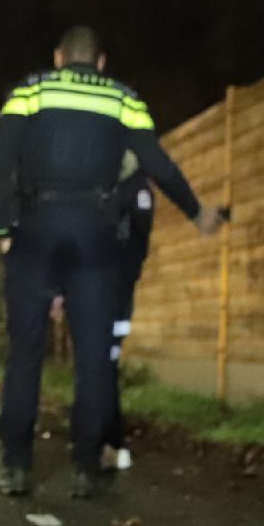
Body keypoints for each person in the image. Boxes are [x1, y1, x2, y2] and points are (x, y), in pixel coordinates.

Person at [0, 25, 222, 498]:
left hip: (36, 227)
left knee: (25, 353)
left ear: (58, 57)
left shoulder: (29, 92)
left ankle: (15, 466)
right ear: (100, 62)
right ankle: (86, 469)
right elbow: (158, 165)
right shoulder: (123, 98)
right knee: (93, 357)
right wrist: (197, 211)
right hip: (95, 233)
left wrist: (3, 231)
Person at [103, 153, 156, 473]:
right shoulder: (116, 189)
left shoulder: (134, 192)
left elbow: (136, 246)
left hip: (115, 295)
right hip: (108, 293)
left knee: (104, 369)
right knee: (101, 370)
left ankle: (111, 442)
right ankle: (106, 442)